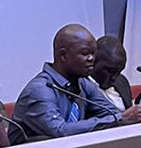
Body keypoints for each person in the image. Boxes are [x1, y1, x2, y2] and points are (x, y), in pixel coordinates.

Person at [12, 24, 141, 139]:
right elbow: (60, 131)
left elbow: (111, 113)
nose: (91, 59)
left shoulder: (83, 83)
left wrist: (123, 118)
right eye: (85, 53)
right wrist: (121, 119)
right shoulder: (40, 89)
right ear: (63, 55)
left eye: (93, 53)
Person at [91, 35, 135, 113]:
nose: (114, 78)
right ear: (93, 61)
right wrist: (124, 119)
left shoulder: (121, 81)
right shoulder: (80, 87)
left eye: (119, 71)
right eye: (110, 71)